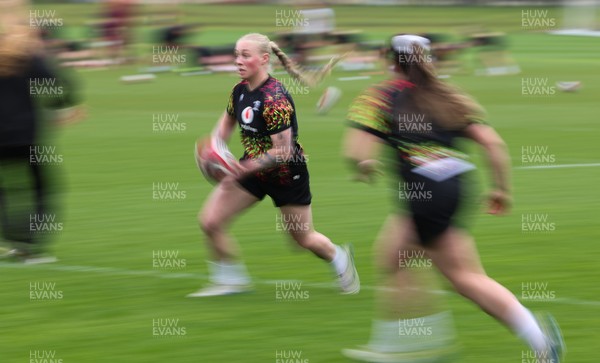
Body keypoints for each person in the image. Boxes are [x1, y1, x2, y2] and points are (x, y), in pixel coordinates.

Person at [341, 34, 564, 362]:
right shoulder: (445, 94)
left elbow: (355, 150)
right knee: (397, 256)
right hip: (456, 186)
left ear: (389, 59)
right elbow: (494, 144)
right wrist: (501, 190)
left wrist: (363, 165)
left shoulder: (380, 96)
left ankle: (410, 344)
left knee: (454, 274)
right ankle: (532, 337)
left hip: (424, 192)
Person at [187, 33, 358, 297]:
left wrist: (242, 168)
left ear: (264, 59)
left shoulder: (275, 99)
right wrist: (213, 152)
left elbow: (283, 151)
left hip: (286, 173)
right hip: (251, 170)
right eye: (236, 54)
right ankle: (231, 280)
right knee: (210, 221)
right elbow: (222, 131)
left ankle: (340, 257)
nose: (238, 61)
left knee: (302, 239)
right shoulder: (239, 91)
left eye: (246, 55)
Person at [0, 20, 83, 263]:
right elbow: (63, 85)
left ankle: (16, 242)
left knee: (4, 191)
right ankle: (30, 246)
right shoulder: (30, 60)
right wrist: (61, 109)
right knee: (43, 191)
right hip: (27, 137)